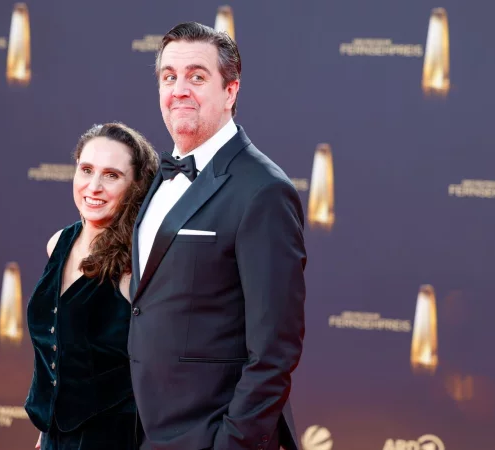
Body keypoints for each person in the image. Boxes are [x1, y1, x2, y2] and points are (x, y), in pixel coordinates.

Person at [128, 22, 307, 450]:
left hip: (211, 437)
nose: (179, 89)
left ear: (231, 92)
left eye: (196, 76)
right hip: (145, 432)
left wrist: (231, 442)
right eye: (169, 77)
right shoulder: (159, 175)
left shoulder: (263, 189)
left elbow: (275, 350)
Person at [25, 122, 159, 450]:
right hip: (55, 435)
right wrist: (47, 429)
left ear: (136, 185)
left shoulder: (138, 261)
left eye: (111, 175)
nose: (93, 186)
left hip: (112, 439)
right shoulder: (58, 243)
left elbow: (160, 365)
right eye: (86, 170)